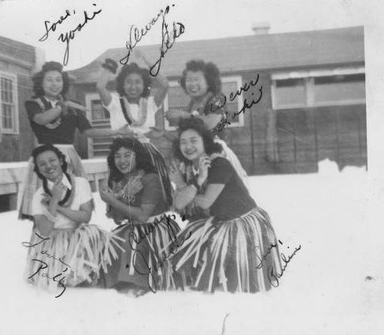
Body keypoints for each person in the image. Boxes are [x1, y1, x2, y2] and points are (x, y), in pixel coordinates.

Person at [169, 118, 282, 293]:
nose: (188, 146)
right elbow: (179, 202)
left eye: (193, 141)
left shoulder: (220, 164)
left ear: (205, 142)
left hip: (243, 224)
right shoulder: (193, 167)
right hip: (220, 220)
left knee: (230, 281)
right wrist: (194, 181)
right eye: (183, 142)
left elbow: (206, 201)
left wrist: (185, 187)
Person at [23, 145, 122, 294]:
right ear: (38, 169)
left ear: (61, 160)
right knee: (64, 284)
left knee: (95, 275)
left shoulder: (81, 183)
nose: (49, 166)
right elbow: (44, 230)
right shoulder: (39, 194)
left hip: (78, 237)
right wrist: (55, 200)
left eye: (52, 160)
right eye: (42, 164)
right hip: (53, 243)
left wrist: (59, 208)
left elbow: (85, 216)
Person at [19, 61, 110, 219]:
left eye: (58, 79)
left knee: (72, 205)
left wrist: (116, 132)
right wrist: (63, 106)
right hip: (44, 157)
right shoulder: (34, 104)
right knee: (44, 209)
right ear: (41, 82)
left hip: (69, 157)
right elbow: (41, 119)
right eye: (49, 79)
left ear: (64, 82)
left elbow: (88, 131)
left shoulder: (75, 105)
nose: (54, 84)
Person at [98, 137, 181, 297]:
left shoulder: (151, 178)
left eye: (127, 155)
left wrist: (114, 200)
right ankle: (119, 283)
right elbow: (117, 218)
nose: (122, 160)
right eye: (117, 156)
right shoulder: (120, 180)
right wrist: (122, 196)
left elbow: (143, 216)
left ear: (138, 156)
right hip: (132, 228)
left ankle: (138, 284)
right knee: (111, 243)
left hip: (155, 230)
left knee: (133, 246)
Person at [96, 55, 172, 206]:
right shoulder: (114, 103)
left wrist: (149, 60)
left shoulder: (150, 103)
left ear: (145, 85)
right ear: (122, 85)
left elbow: (165, 85)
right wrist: (110, 66)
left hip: (147, 154)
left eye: (138, 82)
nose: (133, 86)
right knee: (124, 196)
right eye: (128, 82)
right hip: (122, 156)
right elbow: (100, 86)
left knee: (149, 197)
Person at [166, 59, 249, 189]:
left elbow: (211, 122)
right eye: (188, 80)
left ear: (209, 81)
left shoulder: (217, 98)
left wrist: (183, 116)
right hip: (194, 155)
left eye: (197, 79)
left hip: (215, 155)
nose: (192, 84)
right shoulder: (192, 104)